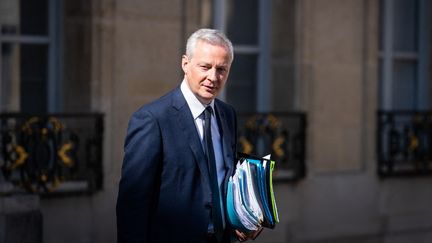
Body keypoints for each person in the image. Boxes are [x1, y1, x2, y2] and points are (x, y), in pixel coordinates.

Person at [116, 28, 261, 243]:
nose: (213, 77)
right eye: (205, 67)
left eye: (222, 69)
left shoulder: (227, 114)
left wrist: (242, 219)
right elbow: (132, 204)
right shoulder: (152, 119)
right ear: (185, 64)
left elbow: (223, 179)